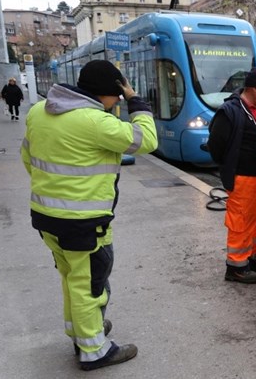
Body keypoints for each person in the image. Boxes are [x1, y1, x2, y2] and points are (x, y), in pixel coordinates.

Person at [21, 60, 157, 371]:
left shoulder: (38, 112)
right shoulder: (95, 122)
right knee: (90, 285)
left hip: (46, 217)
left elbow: (28, 159)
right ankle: (94, 351)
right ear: (105, 93)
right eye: (117, 96)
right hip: (82, 223)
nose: (118, 102)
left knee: (71, 278)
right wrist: (136, 100)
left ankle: (80, 331)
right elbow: (146, 140)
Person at [207, 69, 256, 284]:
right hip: (243, 177)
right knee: (242, 221)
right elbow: (216, 147)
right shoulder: (230, 111)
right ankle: (236, 266)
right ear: (254, 88)